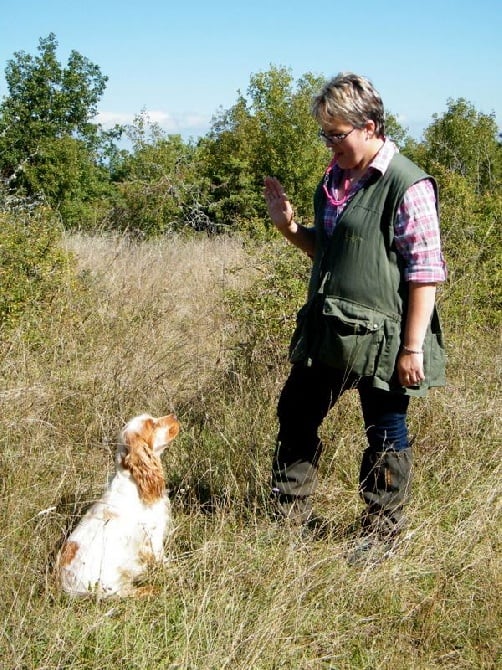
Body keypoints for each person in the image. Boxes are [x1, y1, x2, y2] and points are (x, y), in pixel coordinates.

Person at [263, 72, 446, 560]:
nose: (330, 144)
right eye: (325, 134)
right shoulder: (335, 181)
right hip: (330, 329)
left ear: (369, 126)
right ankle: (287, 517)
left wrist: (411, 348)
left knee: (384, 429)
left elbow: (424, 274)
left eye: (336, 134)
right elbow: (328, 254)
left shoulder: (407, 184)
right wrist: (289, 228)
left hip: (386, 336)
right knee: (296, 411)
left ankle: (382, 534)